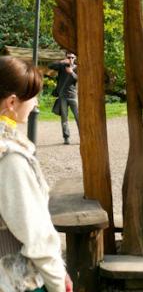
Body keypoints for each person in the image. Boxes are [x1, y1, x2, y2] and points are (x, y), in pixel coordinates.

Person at [0, 56, 73, 292]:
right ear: (12, 102)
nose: (35, 103)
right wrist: (57, 280)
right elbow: (35, 234)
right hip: (17, 281)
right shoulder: (10, 157)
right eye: (32, 96)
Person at [49, 53, 79, 145]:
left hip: (73, 96)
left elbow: (80, 78)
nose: (70, 59)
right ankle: (66, 138)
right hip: (63, 96)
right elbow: (50, 66)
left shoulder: (77, 68)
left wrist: (72, 73)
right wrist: (61, 62)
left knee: (78, 117)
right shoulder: (62, 66)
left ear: (75, 58)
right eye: (68, 57)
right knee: (64, 118)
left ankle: (83, 136)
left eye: (72, 57)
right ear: (66, 57)